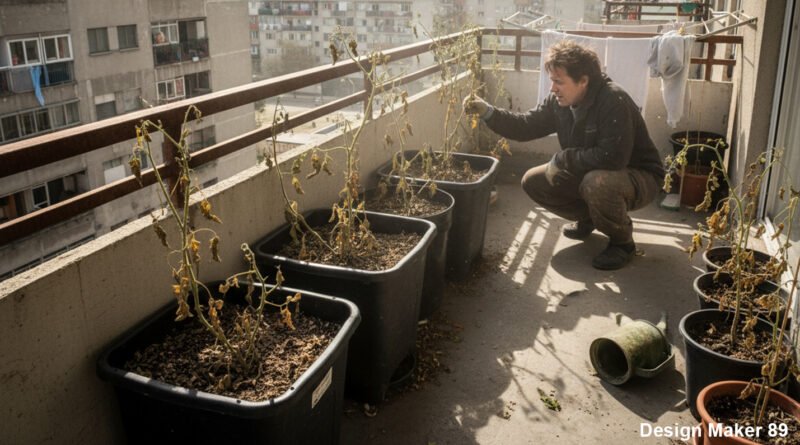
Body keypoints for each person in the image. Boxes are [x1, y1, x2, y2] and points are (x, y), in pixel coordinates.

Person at [463, 40, 664, 270]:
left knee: (596, 183)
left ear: (583, 81)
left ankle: (622, 242)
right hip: (598, 172)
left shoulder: (613, 100)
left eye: (559, 82)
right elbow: (526, 125)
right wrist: (488, 112)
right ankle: (590, 217)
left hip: (639, 176)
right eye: (552, 81)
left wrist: (564, 158)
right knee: (534, 181)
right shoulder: (559, 102)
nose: (552, 88)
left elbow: (613, 158)